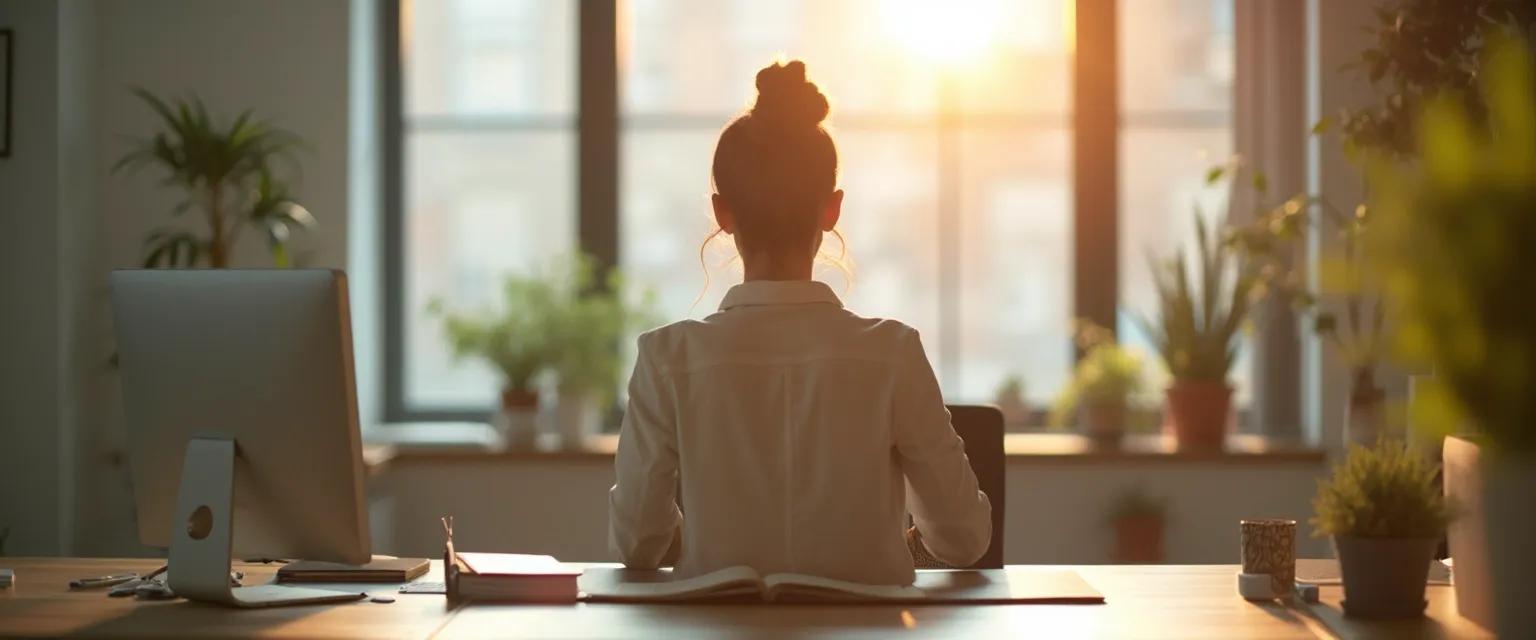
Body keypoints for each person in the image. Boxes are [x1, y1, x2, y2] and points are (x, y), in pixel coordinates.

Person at [608, 60, 991, 586]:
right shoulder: (893, 353)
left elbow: (636, 545)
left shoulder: (666, 359)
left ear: (722, 214)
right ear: (832, 210)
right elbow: (964, 540)